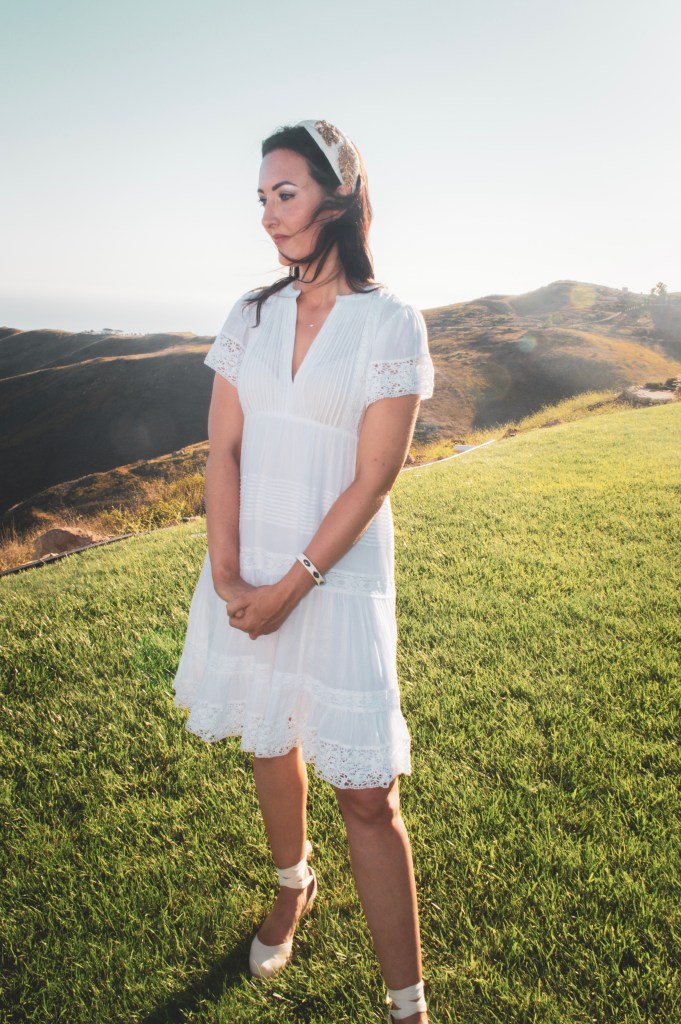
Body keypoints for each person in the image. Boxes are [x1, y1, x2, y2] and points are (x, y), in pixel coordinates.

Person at [172, 118, 434, 1024]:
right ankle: (293, 884)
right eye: (261, 198)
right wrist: (230, 575)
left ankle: (408, 1005)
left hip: (335, 577)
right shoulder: (250, 315)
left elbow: (373, 477)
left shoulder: (389, 321)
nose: (268, 216)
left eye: (284, 194)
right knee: (267, 736)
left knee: (367, 794)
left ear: (338, 195)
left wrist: (292, 586)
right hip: (246, 568)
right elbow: (223, 451)